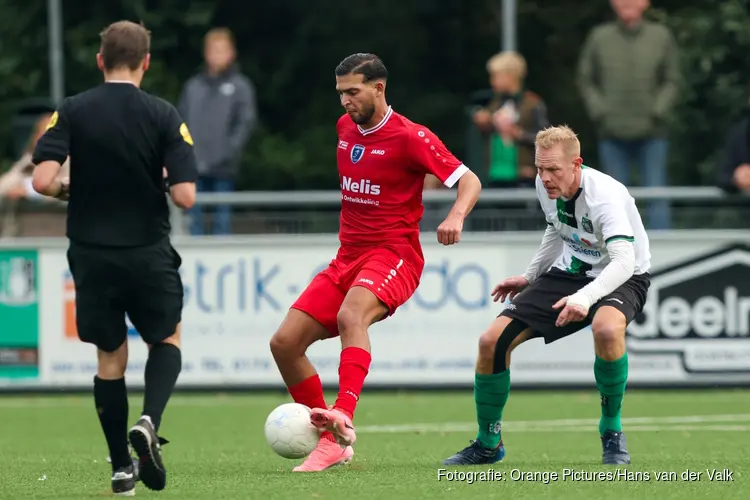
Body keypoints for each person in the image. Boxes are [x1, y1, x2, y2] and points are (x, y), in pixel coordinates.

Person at [269, 53, 482, 472]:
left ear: (378, 88)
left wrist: (455, 215)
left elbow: (468, 180)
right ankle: (330, 439)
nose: (345, 102)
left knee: (353, 315)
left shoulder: (411, 137)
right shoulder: (344, 128)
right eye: (340, 93)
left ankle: (343, 416)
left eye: (353, 92)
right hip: (347, 257)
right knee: (285, 343)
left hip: (395, 254)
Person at [31, 21, 198, 496]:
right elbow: (185, 196)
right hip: (147, 250)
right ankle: (149, 420)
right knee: (166, 337)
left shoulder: (72, 111)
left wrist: (72, 189)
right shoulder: (165, 115)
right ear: (145, 62)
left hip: (91, 253)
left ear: (100, 61)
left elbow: (42, 181)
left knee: (110, 358)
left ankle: (122, 468)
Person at [442, 125, 651, 467]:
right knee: (490, 342)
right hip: (573, 270)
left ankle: (611, 432)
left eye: (553, 169)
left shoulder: (605, 197)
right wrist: (530, 276)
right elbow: (557, 228)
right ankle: (488, 443)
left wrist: (585, 298)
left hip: (624, 276)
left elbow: (624, 262)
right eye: (540, 168)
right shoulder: (545, 185)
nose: (545, 177)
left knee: (607, 329)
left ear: (576, 164)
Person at [178, 27, 257, 235]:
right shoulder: (192, 87)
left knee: (222, 224)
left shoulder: (241, 87)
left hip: (224, 168)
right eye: (214, 50)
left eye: (222, 50)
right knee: (195, 225)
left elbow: (245, 123)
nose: (218, 55)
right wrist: (187, 153)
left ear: (232, 54)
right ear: (206, 53)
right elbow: (181, 122)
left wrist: (229, 151)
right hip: (194, 168)